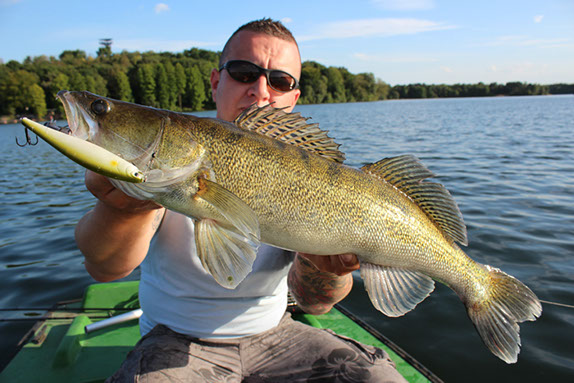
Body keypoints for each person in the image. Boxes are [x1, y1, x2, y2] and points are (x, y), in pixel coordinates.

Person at [75, 18, 406, 382]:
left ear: (294, 98)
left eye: (280, 81)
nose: (261, 90)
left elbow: (314, 303)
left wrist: (328, 268)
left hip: (278, 334)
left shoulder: (313, 174)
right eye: (244, 72)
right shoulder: (167, 169)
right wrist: (118, 208)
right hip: (174, 338)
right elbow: (105, 268)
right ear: (217, 83)